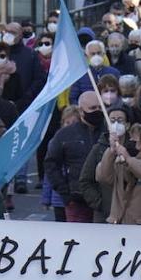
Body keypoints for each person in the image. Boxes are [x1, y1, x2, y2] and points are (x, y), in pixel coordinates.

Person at [89, 113, 141, 225]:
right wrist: (110, 152)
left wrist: (129, 159)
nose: (130, 141)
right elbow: (103, 177)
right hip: (120, 221)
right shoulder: (121, 161)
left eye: (135, 140)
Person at [45, 93, 103, 223]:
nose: (97, 111)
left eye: (100, 107)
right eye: (93, 108)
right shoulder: (65, 134)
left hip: (106, 200)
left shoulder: (109, 131)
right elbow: (51, 164)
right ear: (81, 111)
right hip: (77, 200)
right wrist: (65, 193)